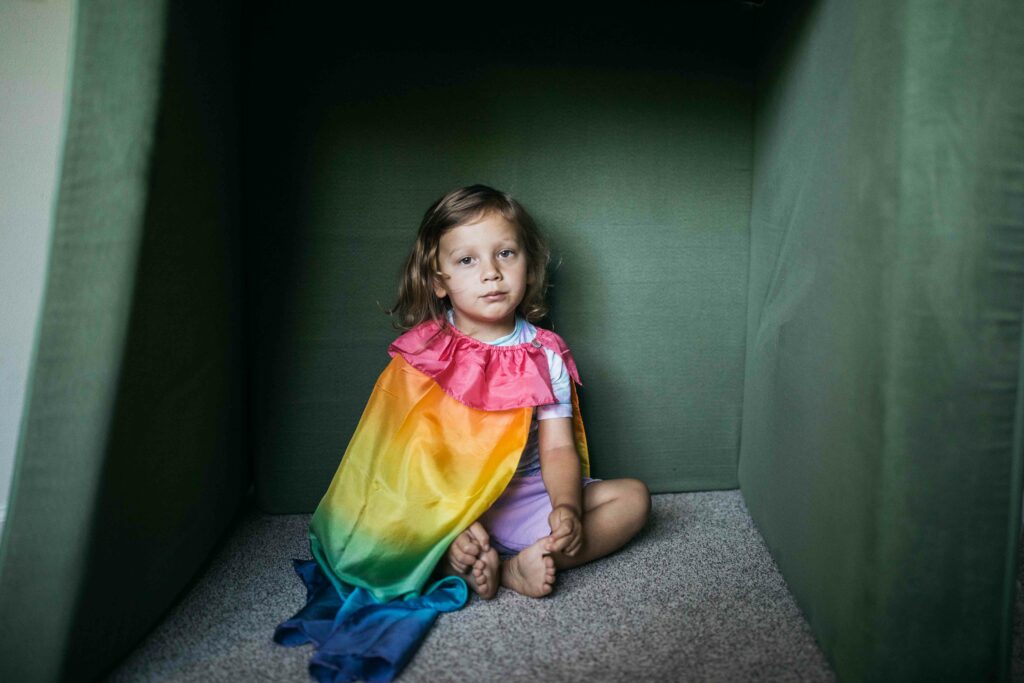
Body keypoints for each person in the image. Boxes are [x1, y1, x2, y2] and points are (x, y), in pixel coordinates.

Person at [274, 184, 650, 682]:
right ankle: (456, 556)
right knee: (392, 529)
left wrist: (565, 507)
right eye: (468, 260)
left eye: (505, 253)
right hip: (446, 502)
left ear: (529, 266)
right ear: (439, 281)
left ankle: (526, 562)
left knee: (634, 499)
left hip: (526, 497)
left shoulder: (546, 352)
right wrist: (449, 519)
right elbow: (404, 456)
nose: (491, 272)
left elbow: (557, 446)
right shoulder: (427, 352)